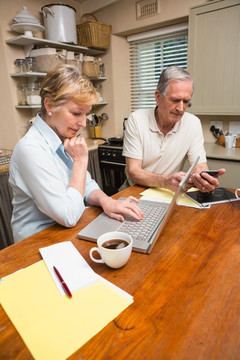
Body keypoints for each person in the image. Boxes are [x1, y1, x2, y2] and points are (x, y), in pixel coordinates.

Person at [9, 64, 143, 243]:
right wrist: (80, 161)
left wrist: (107, 201)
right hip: (35, 244)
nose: (83, 123)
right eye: (76, 113)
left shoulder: (61, 136)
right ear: (49, 105)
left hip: (63, 234)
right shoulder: (31, 149)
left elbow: (86, 184)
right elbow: (68, 215)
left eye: (86, 114)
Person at [122, 66, 225, 192]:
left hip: (168, 191)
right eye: (175, 100)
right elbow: (133, 171)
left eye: (186, 101)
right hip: (135, 189)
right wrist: (165, 181)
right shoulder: (136, 119)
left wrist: (204, 179)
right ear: (158, 97)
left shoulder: (193, 123)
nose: (181, 108)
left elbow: (199, 165)